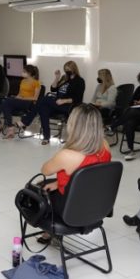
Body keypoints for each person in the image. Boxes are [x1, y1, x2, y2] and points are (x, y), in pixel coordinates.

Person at [36, 104, 112, 243]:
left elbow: (45, 170)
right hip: (97, 204)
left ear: (74, 125)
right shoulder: (105, 145)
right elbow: (91, 175)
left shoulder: (67, 155)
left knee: (35, 189)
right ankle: (49, 233)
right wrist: (59, 182)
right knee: (50, 185)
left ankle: (49, 231)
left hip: (71, 209)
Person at [17, 61, 86, 145]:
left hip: (68, 106)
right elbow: (53, 89)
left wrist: (64, 100)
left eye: (69, 69)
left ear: (74, 69)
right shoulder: (65, 78)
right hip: (56, 103)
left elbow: (78, 98)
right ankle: (46, 137)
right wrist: (57, 78)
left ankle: (25, 121)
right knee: (43, 108)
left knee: (44, 99)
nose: (67, 71)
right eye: (65, 69)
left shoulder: (80, 81)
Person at [0, 64, 41, 138]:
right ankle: (11, 129)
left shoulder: (36, 83)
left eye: (24, 71)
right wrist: (16, 98)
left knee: (7, 101)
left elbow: (35, 98)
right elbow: (19, 94)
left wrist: (22, 98)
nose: (22, 73)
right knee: (7, 106)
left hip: (28, 103)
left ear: (29, 73)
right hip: (20, 101)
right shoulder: (23, 81)